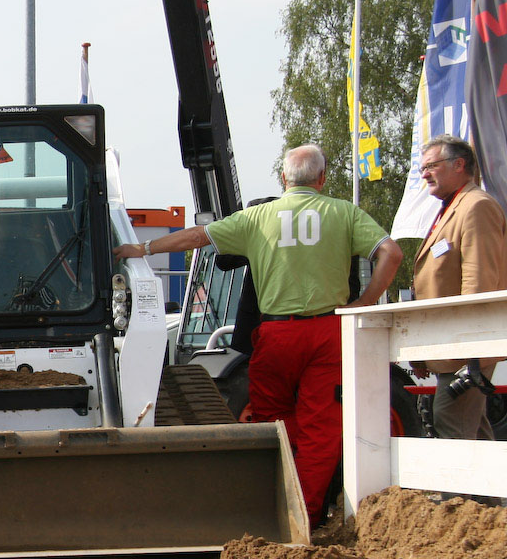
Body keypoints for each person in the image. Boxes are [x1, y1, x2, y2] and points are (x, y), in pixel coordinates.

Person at [114, 144, 403, 528]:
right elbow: (392, 254)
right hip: (328, 332)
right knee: (321, 430)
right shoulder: (344, 213)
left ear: (283, 179)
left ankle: (278, 503)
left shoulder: (257, 217)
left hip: (277, 333)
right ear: (322, 178)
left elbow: (197, 237)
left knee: (272, 421)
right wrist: (364, 301)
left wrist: (142, 248)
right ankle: (307, 517)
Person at [411, 134, 507, 442]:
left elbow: (479, 284)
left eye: (431, 166)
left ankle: (456, 479)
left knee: (451, 424)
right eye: (422, 168)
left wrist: (470, 352)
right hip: (451, 343)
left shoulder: (476, 206)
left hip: (464, 345)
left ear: (459, 165)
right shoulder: (455, 206)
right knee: (472, 429)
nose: (424, 174)